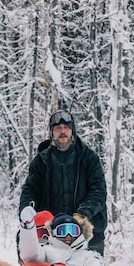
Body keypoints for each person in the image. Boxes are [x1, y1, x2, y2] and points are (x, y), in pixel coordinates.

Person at [20, 109, 108, 255]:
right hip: (52, 234)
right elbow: (30, 190)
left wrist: (82, 214)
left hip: (87, 234)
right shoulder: (40, 161)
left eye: (66, 127)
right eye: (58, 128)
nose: (62, 131)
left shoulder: (89, 158)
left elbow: (98, 191)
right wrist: (26, 210)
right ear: (51, 132)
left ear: (72, 130)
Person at [18, 207, 106, 266]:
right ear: (54, 233)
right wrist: (28, 227)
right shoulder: (47, 251)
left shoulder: (89, 255)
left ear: (80, 233)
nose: (68, 235)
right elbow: (30, 256)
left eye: (73, 231)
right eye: (62, 231)